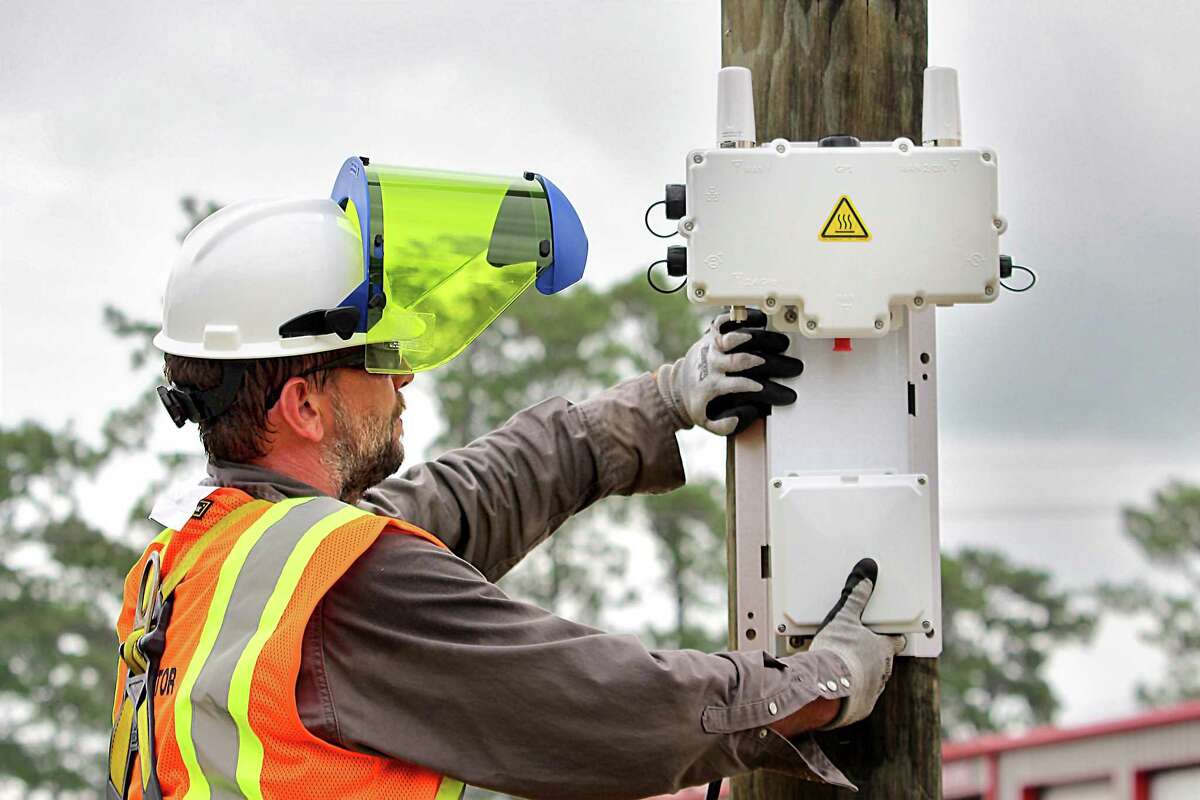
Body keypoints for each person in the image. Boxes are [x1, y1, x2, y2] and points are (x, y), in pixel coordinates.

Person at [108, 164, 901, 800]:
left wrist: (660, 401)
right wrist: (816, 685)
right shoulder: (344, 585)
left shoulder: (195, 565)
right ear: (304, 405)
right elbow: (604, 708)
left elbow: (462, 500)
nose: (408, 374)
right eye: (381, 357)